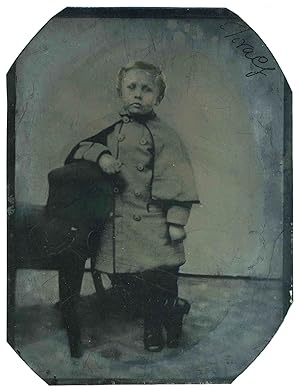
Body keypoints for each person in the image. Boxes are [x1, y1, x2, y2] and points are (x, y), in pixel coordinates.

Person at [65, 61, 200, 352]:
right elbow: (81, 148)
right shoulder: (111, 129)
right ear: (120, 92)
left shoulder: (164, 135)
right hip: (120, 221)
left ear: (158, 98)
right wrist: (101, 155)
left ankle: (158, 325)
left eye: (147, 89)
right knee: (130, 277)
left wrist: (177, 220)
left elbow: (179, 179)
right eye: (132, 88)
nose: (138, 95)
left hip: (154, 222)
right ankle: (166, 312)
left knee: (160, 277)